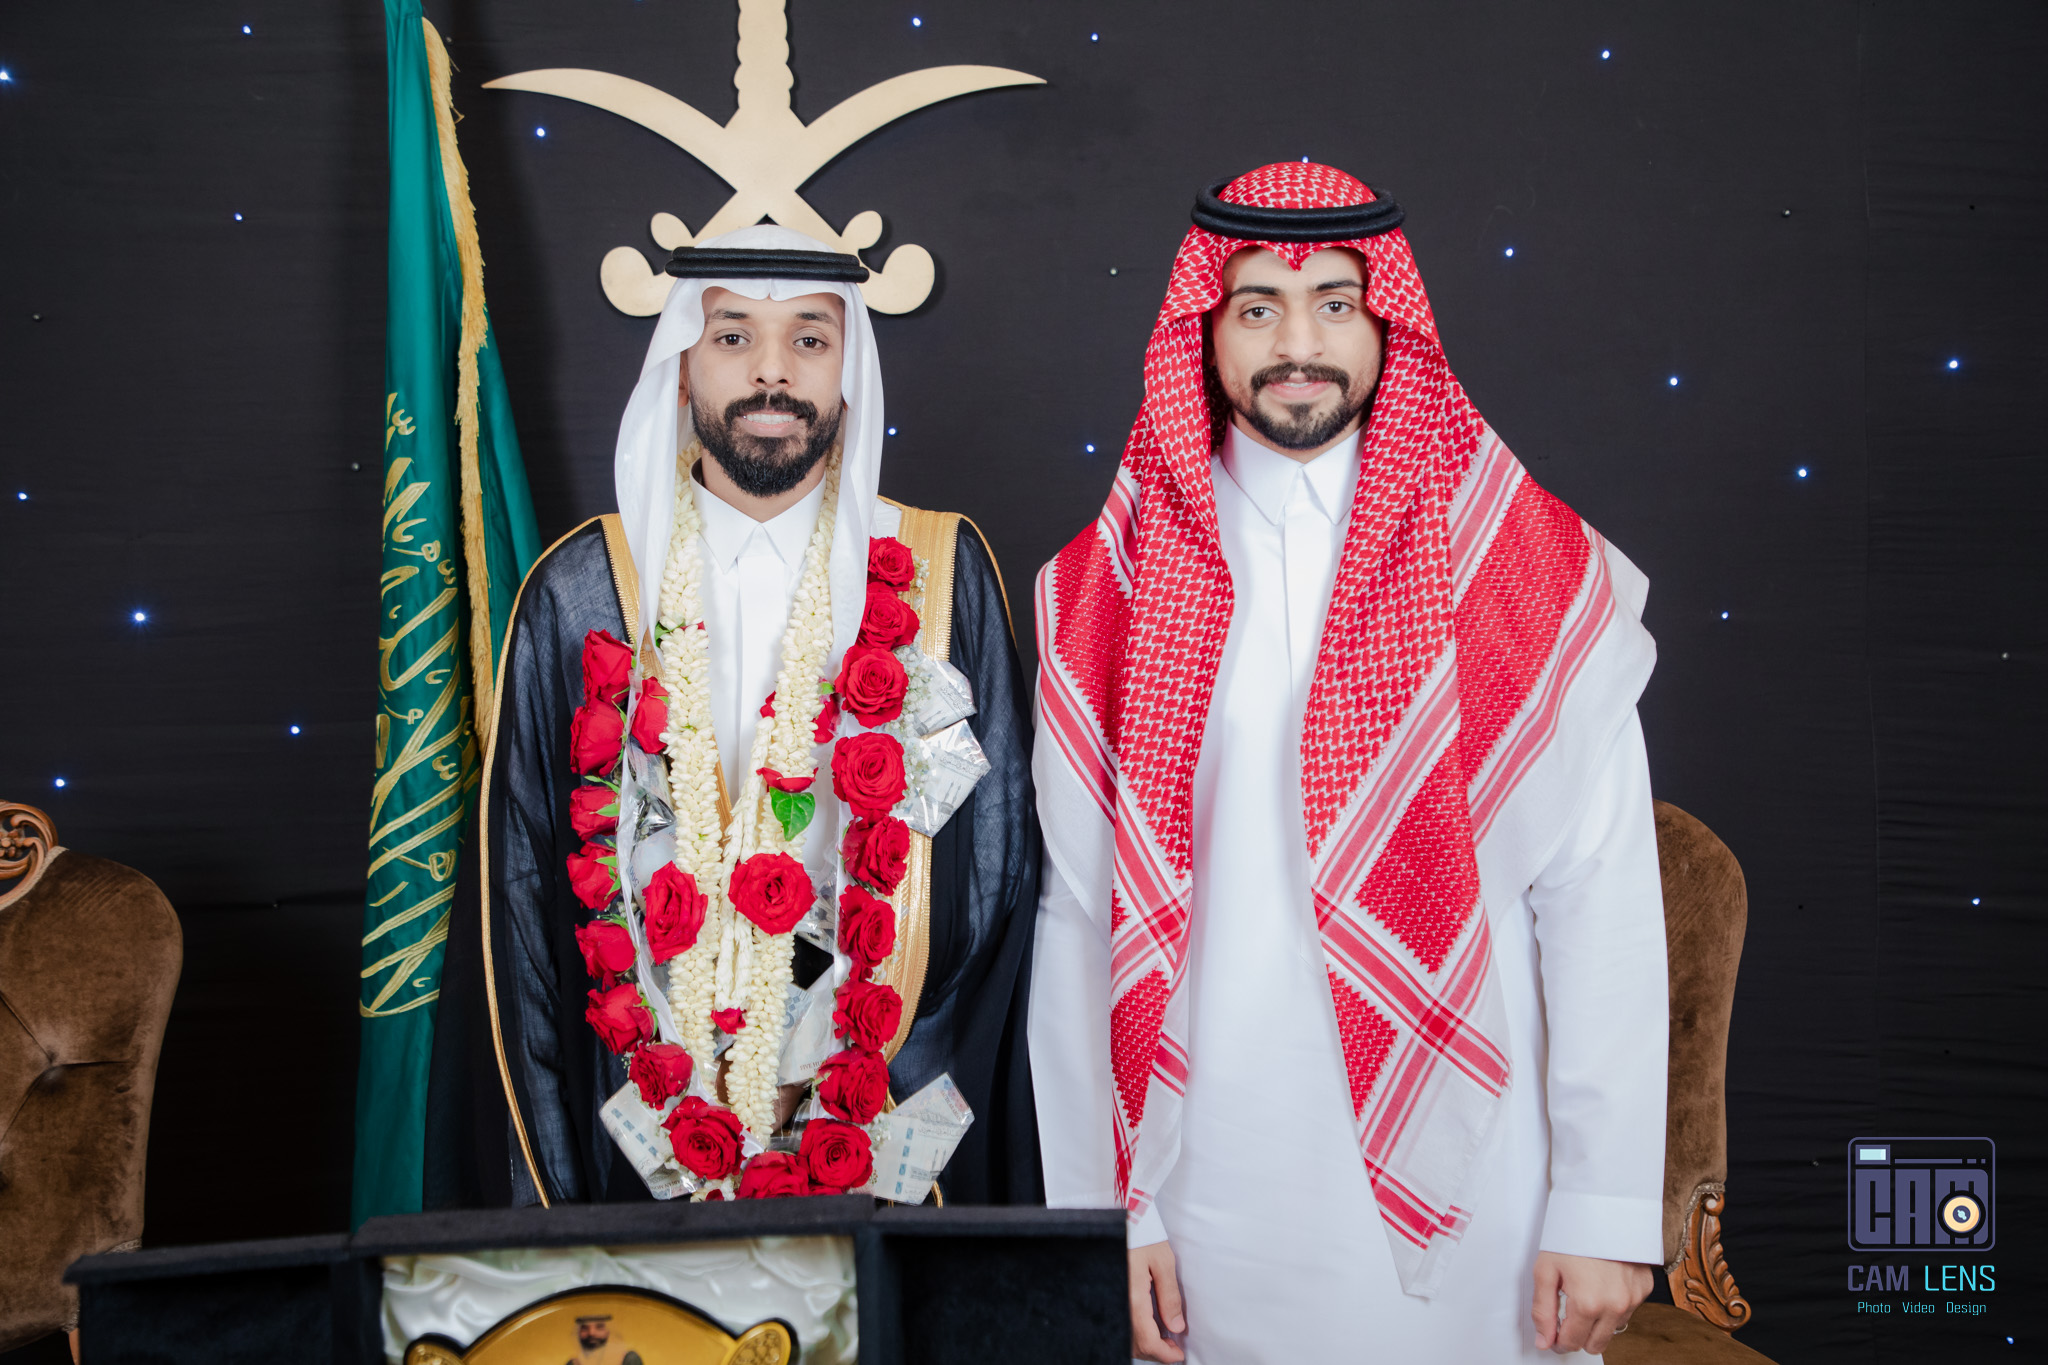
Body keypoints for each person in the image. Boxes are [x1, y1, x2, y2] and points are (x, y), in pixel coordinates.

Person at [1030, 164, 1668, 1360]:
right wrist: (1101, 1214)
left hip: (1479, 1177)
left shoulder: (1513, 560)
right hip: (1201, 1180)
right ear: (1202, 331)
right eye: (1256, 308)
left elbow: (1600, 897)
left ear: (1389, 326)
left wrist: (1602, 1201)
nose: (1297, 346)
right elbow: (1075, 915)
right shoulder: (1104, 587)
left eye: (1334, 303)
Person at [427, 225, 1041, 1208]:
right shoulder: (586, 589)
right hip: (642, 1119)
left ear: (848, 370)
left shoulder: (936, 571)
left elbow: (995, 873)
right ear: (680, 365)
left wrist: (859, 1068)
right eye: (732, 336)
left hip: (878, 1120)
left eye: (809, 339)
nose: (771, 372)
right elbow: (528, 892)